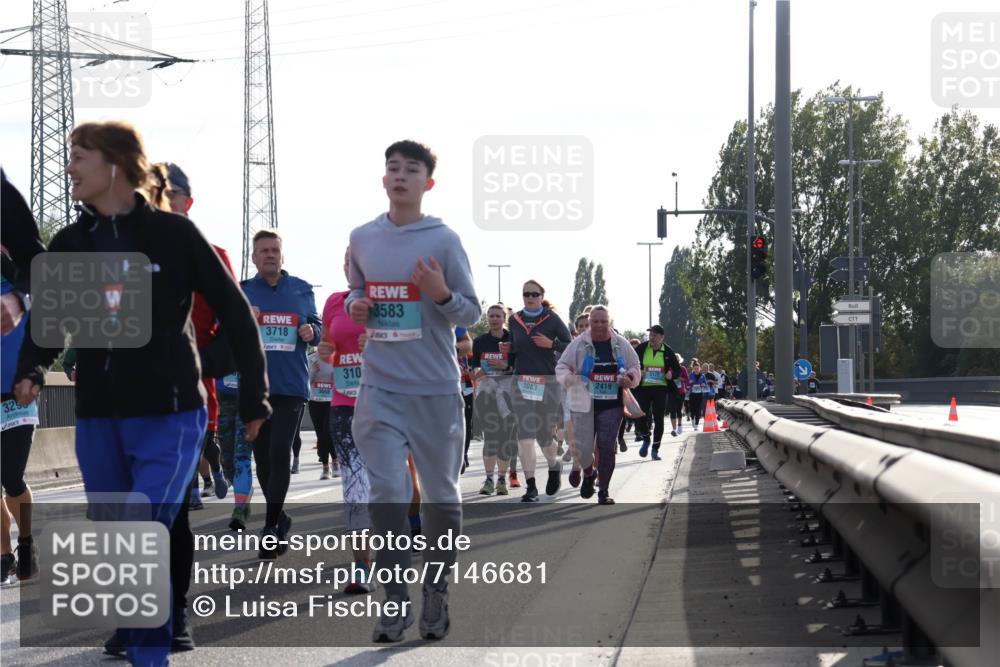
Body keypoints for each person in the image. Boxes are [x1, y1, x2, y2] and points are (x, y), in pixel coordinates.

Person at [13, 120, 269, 667]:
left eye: (79, 157)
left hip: (170, 412)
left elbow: (236, 315)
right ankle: (140, 626)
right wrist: (33, 368)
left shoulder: (174, 236)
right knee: (116, 534)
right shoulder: (73, 241)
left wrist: (256, 397)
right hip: (100, 415)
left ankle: (155, 643)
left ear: (115, 165)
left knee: (142, 528)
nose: (69, 169)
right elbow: (53, 321)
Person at [347, 140, 480, 642]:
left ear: (428, 182)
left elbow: (469, 310)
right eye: (392, 168)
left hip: (435, 391)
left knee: (441, 499)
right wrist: (358, 303)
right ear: (384, 180)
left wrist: (440, 292)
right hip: (379, 388)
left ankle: (436, 589)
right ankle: (395, 599)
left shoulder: (443, 240)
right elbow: (357, 290)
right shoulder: (362, 237)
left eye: (411, 169)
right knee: (387, 494)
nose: (400, 176)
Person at [240, 229, 320, 558]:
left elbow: (318, 328)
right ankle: (280, 516)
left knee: (279, 453)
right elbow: (228, 332)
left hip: (290, 387)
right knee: (262, 462)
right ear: (254, 258)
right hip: (256, 388)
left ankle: (270, 527)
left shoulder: (300, 289)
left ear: (282, 256)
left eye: (275, 250)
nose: (270, 255)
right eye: (264, 251)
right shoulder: (244, 291)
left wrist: (311, 331)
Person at [319, 247, 374, 593]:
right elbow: (328, 350)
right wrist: (326, 354)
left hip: (385, 404)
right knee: (355, 487)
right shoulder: (333, 303)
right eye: (347, 264)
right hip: (343, 405)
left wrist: (382, 342)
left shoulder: (386, 303)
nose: (351, 270)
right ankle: (361, 568)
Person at [0, 171, 42, 585]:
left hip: (15, 387)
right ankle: (4, 555)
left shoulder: (16, 267)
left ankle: (27, 541)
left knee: (10, 475)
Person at [556, 306, 640, 505]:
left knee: (606, 447)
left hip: (612, 405)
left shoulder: (620, 344)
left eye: (603, 322)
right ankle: (589, 473)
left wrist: (629, 378)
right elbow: (561, 366)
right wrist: (569, 378)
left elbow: (635, 366)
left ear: (609, 323)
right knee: (584, 448)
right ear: (590, 322)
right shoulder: (579, 343)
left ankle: (604, 491)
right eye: (596, 322)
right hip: (583, 404)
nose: (599, 325)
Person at [507, 280, 572, 503]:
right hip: (522, 381)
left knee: (544, 435)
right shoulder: (514, 320)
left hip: (548, 382)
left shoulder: (552, 319)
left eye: (535, 294)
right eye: (526, 294)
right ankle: (531, 487)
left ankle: (554, 465)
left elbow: (570, 346)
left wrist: (552, 344)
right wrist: (508, 354)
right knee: (525, 435)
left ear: (542, 296)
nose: (530, 297)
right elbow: (513, 352)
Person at [470, 305, 516, 496]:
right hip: (487, 395)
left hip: (509, 395)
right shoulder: (480, 341)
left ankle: (502, 480)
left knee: (505, 440)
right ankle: (489, 480)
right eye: (491, 316)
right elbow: (473, 371)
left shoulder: (512, 340)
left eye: (498, 316)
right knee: (490, 438)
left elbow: (518, 368)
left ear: (504, 317)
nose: (494, 319)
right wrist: (480, 372)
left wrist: (504, 367)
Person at [632, 325, 681, 460]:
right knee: (640, 414)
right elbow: (632, 364)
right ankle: (646, 438)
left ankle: (655, 449)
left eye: (654, 335)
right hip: (644, 388)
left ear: (661, 337)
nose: (651, 338)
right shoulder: (642, 348)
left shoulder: (668, 351)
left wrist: (672, 373)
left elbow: (678, 370)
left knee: (658, 418)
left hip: (661, 389)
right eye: (650, 335)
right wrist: (638, 371)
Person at [307, 347, 337, 479]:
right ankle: (325, 467)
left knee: (328, 432)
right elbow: (306, 381)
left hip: (331, 401)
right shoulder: (311, 358)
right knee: (320, 434)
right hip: (315, 401)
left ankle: (335, 461)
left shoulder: (336, 357)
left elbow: (339, 381)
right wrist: (313, 371)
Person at [667, 353, 689, 437]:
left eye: (676, 359)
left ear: (679, 360)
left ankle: (679, 425)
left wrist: (680, 378)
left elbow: (687, 380)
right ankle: (674, 429)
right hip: (671, 391)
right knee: (672, 410)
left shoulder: (682, 368)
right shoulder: (669, 368)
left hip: (680, 391)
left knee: (678, 410)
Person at [687, 359, 709, 429]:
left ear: (699, 369)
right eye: (695, 368)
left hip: (700, 394)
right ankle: (692, 419)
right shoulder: (690, 375)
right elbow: (687, 384)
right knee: (692, 409)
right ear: (693, 368)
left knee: (698, 409)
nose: (696, 369)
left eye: (697, 368)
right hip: (692, 394)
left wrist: (703, 384)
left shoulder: (702, 376)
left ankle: (696, 424)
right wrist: (690, 383)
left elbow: (705, 384)